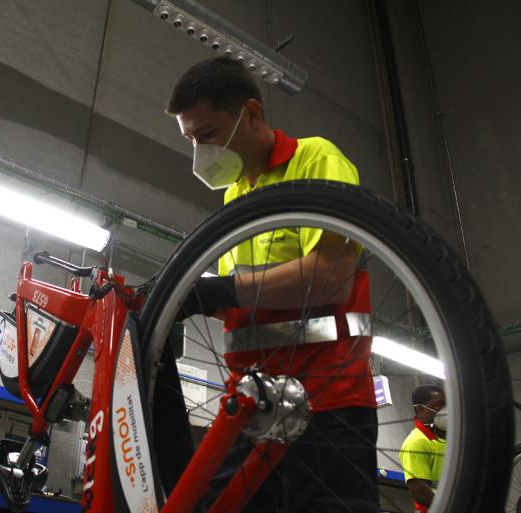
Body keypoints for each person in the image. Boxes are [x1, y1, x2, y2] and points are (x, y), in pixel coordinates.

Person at [159, 56, 379, 512]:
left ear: (252, 114)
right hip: (252, 401)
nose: (200, 152)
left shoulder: (317, 159)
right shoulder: (236, 193)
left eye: (207, 135)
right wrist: (184, 298)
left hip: (328, 400)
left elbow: (330, 278)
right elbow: (252, 299)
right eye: (190, 140)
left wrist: (219, 290)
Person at [399, 384, 447, 513]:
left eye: (447, 405)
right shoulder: (416, 442)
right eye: (438, 405)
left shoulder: (451, 439)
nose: (445, 410)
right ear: (420, 409)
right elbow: (422, 494)